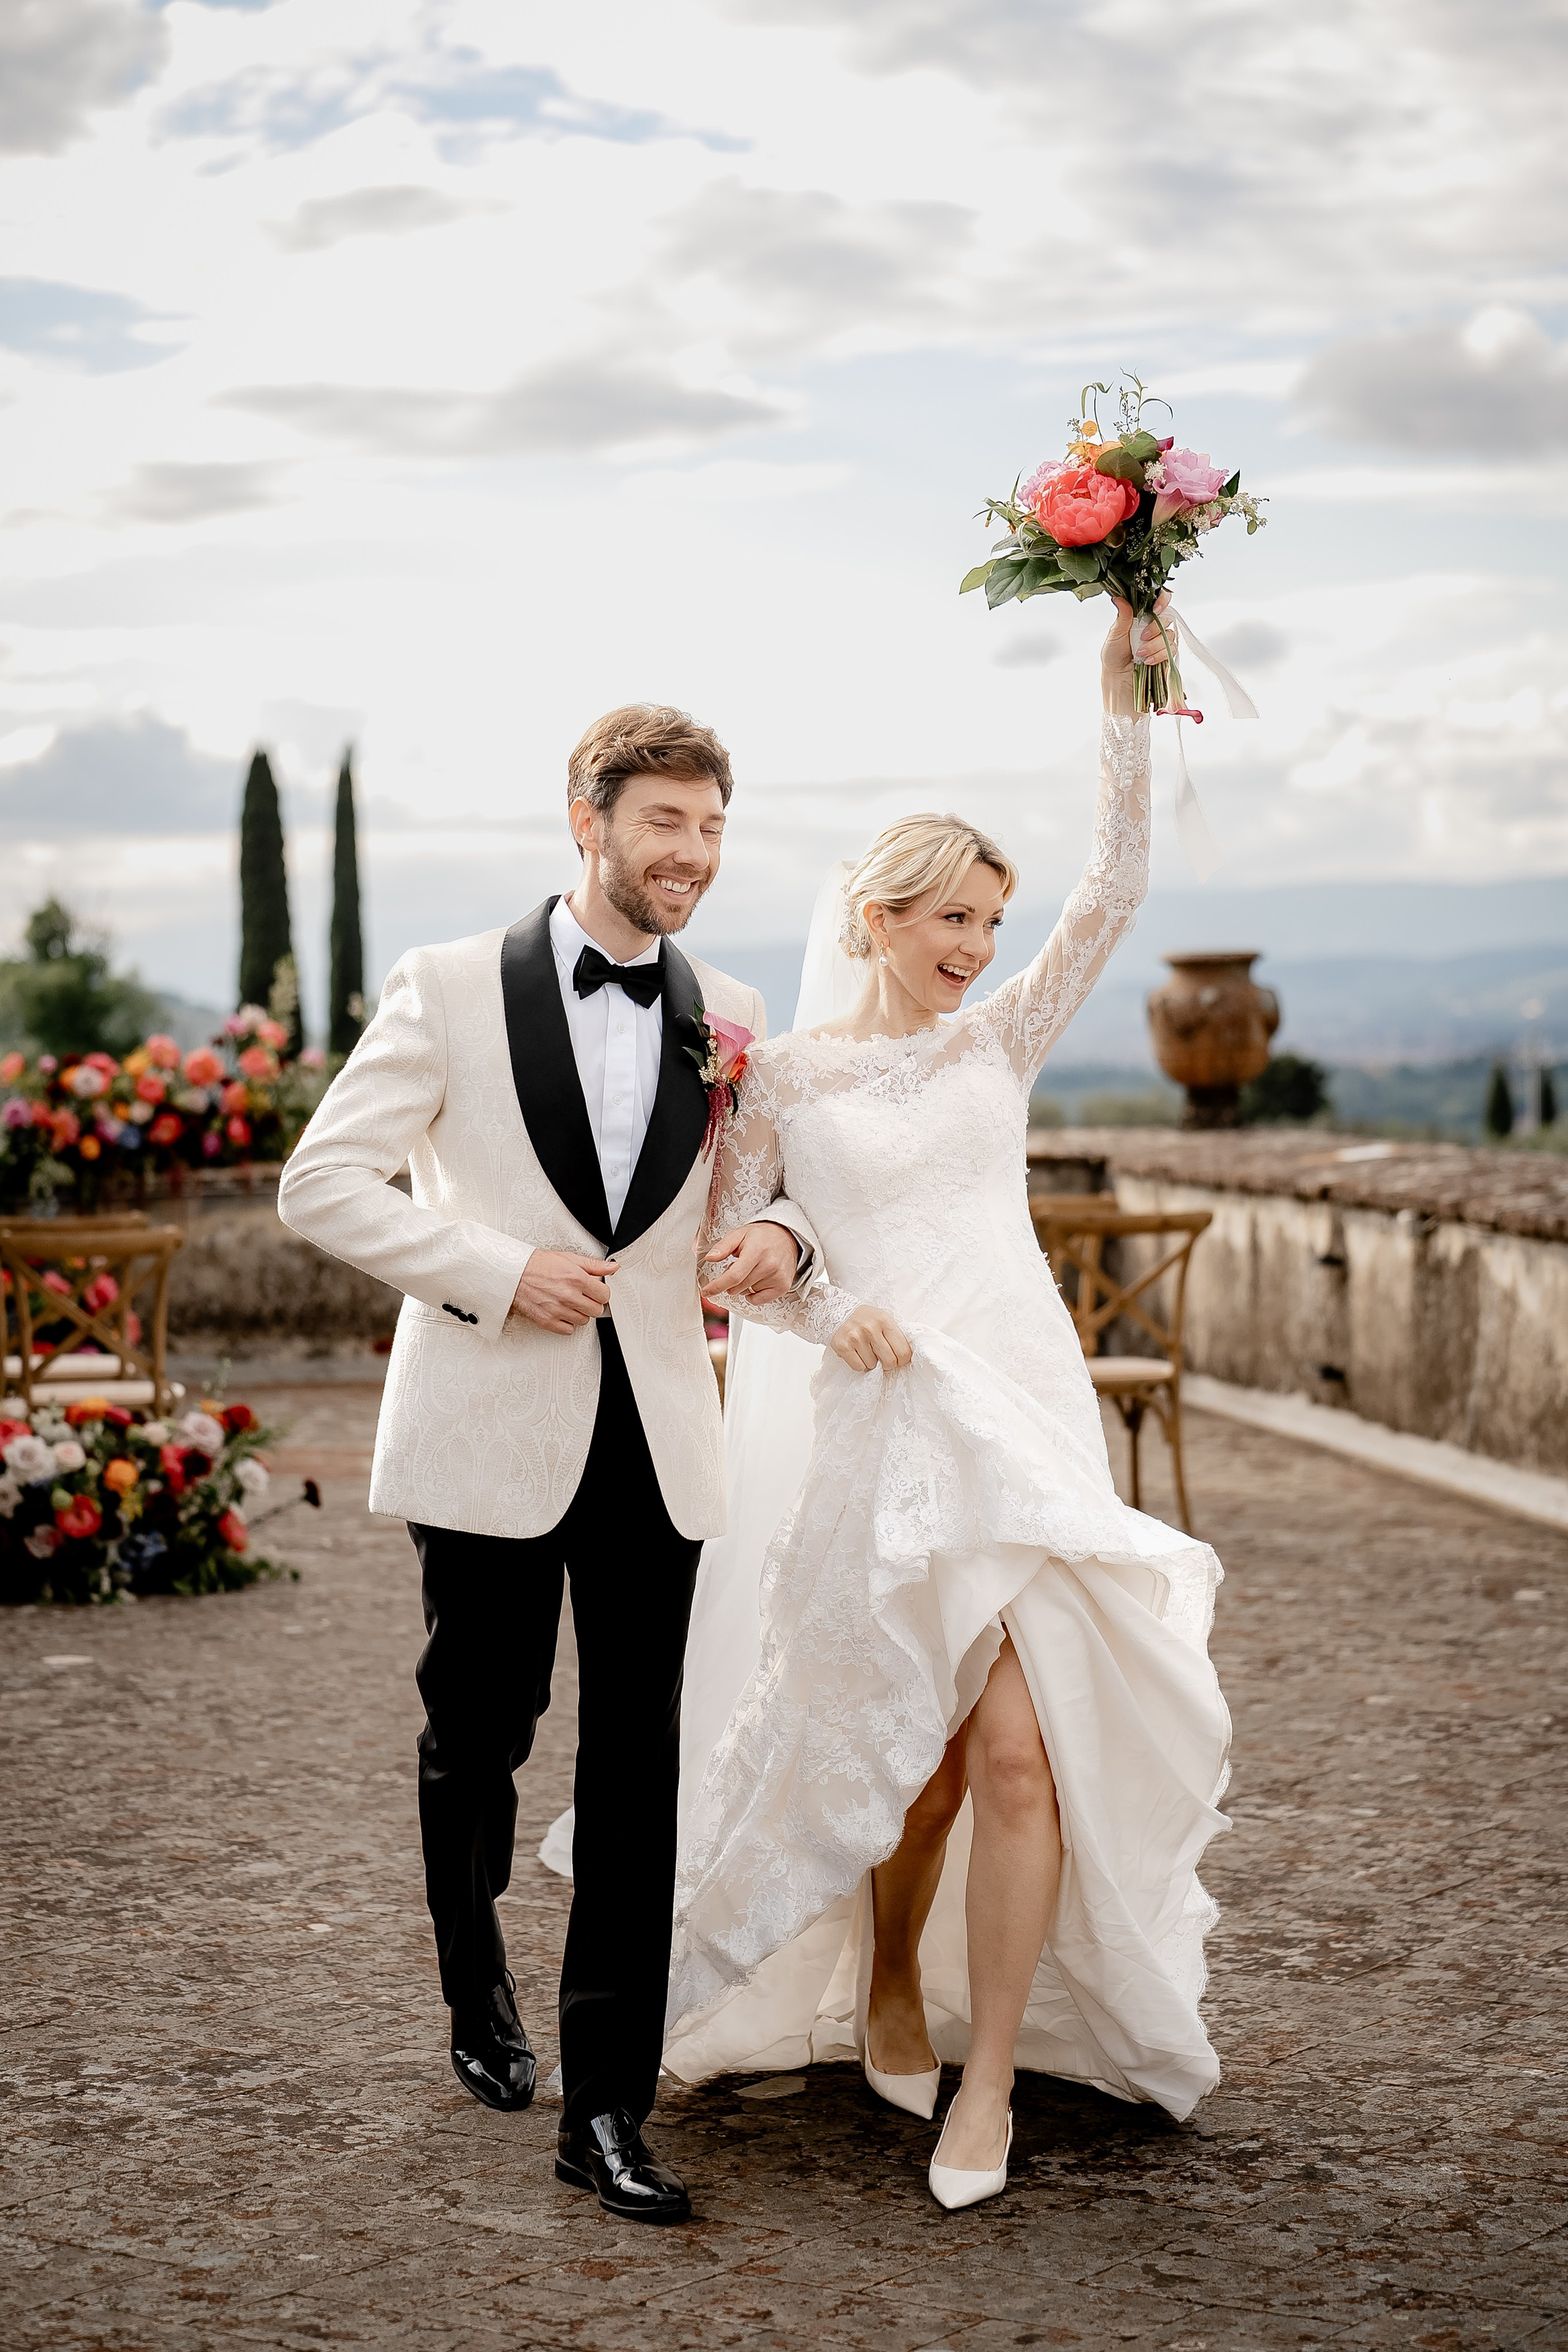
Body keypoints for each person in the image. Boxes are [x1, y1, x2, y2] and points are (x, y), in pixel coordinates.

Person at [662, 603, 1233, 2212]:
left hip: (1026, 1408)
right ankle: (892, 1977)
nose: (978, 946)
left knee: (1019, 1759)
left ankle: (985, 2089)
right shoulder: (780, 1079)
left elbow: (1113, 888)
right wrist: (825, 1302)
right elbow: (733, 1255)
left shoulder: (1005, 1037)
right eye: (952, 919)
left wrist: (1124, 694)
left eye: (991, 919)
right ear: (878, 917)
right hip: (893, 1417)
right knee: (911, 1761)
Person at [277, 704, 818, 2226]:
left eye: (710, 828)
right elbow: (320, 1182)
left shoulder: (733, 1010)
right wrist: (492, 1269)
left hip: (661, 1429)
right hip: (488, 1419)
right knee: (480, 1733)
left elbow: (779, 1192)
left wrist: (779, 1240)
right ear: (587, 821)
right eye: (664, 824)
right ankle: (474, 1982)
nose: (692, 855)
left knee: (638, 1765)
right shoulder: (448, 986)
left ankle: (605, 2111)